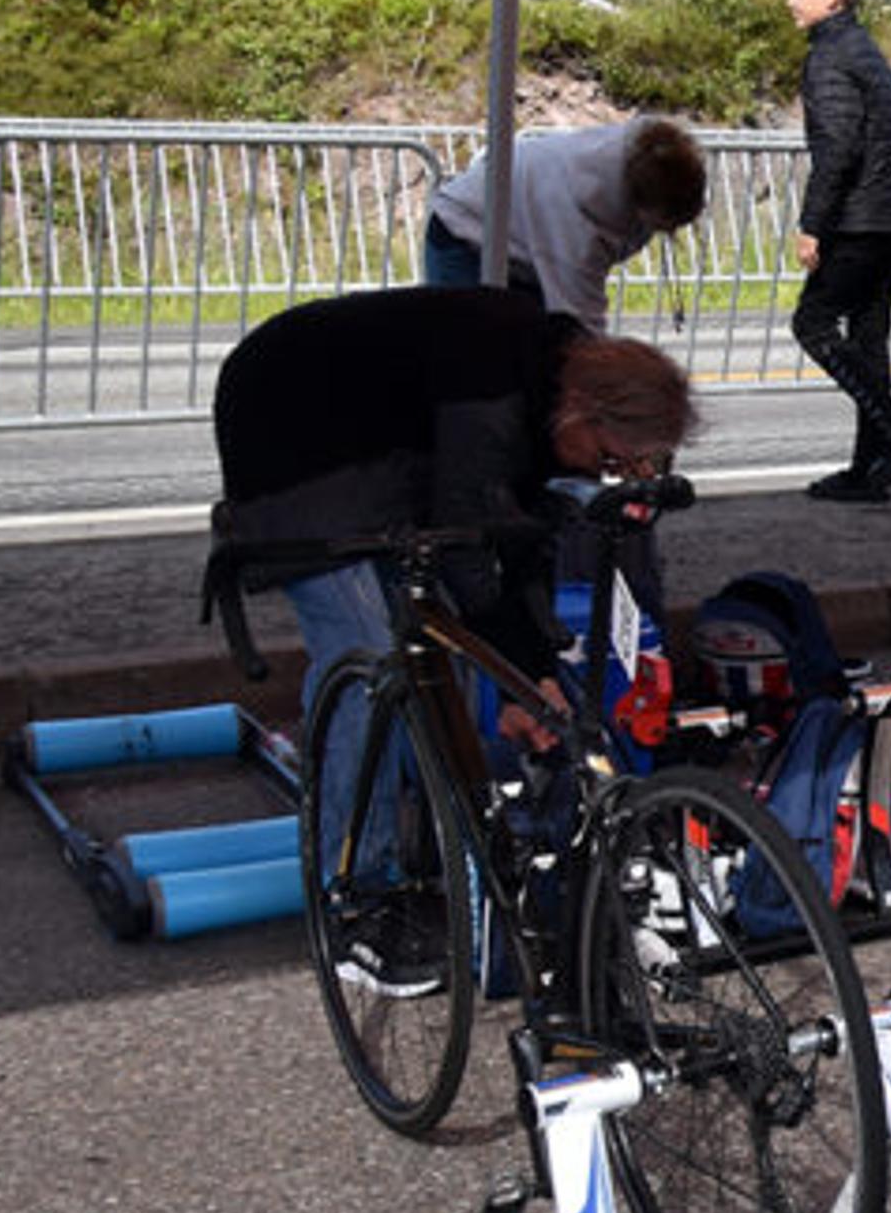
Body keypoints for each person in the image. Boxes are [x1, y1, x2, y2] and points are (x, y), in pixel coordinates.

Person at [212, 286, 699, 979]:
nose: (605, 474)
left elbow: (517, 546)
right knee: (369, 652)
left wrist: (529, 678)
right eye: (610, 459)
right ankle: (355, 901)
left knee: (440, 641)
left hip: (374, 434)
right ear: (581, 412)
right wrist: (522, 676)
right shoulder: (494, 393)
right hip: (289, 427)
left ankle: (425, 844)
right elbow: (470, 545)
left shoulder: (544, 388)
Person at [784, 0, 891, 503]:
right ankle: (869, 472)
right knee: (869, 340)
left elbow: (839, 147)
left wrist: (812, 224)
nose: (790, 1)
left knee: (813, 325)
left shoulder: (829, 56)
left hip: (860, 218)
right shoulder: (862, 47)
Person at [422, 117, 709, 330]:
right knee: (473, 356)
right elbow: (579, 321)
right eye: (662, 225)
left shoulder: (646, 155)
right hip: (463, 236)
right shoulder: (576, 218)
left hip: (521, 248)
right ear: (638, 204)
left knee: (533, 356)